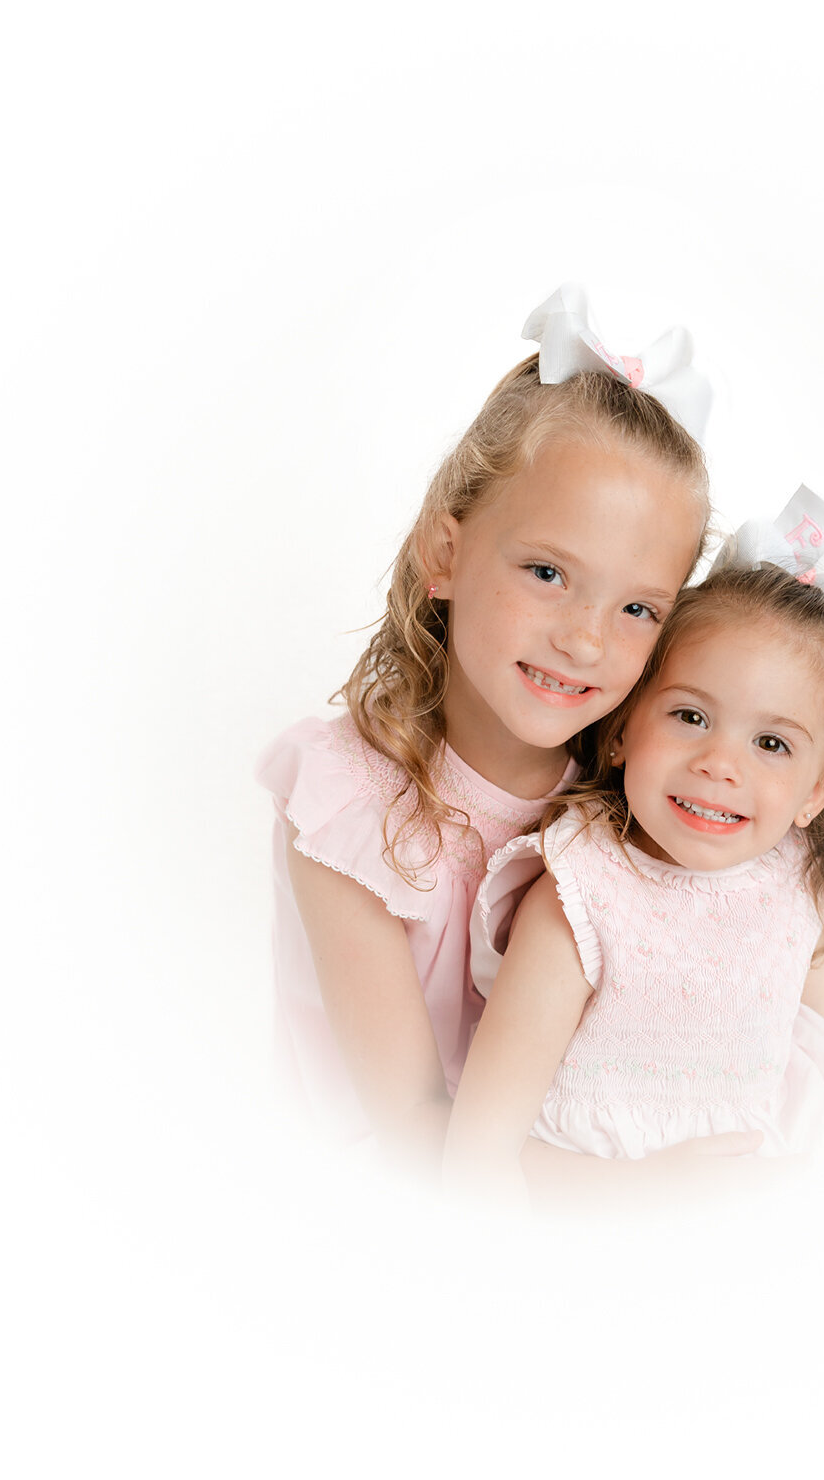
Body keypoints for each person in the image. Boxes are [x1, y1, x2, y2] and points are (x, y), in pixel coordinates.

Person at [256, 285, 722, 1173]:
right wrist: (654, 1191)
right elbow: (418, 1141)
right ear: (448, 554)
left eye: (636, 607)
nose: (586, 638)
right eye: (548, 572)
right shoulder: (346, 809)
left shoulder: (632, 795)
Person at [445, 487, 824, 1208]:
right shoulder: (582, 899)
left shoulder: (791, 885)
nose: (722, 764)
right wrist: (650, 1193)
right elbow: (478, 1152)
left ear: (819, 790)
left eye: (772, 743)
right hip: (594, 1211)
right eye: (690, 715)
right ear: (624, 728)